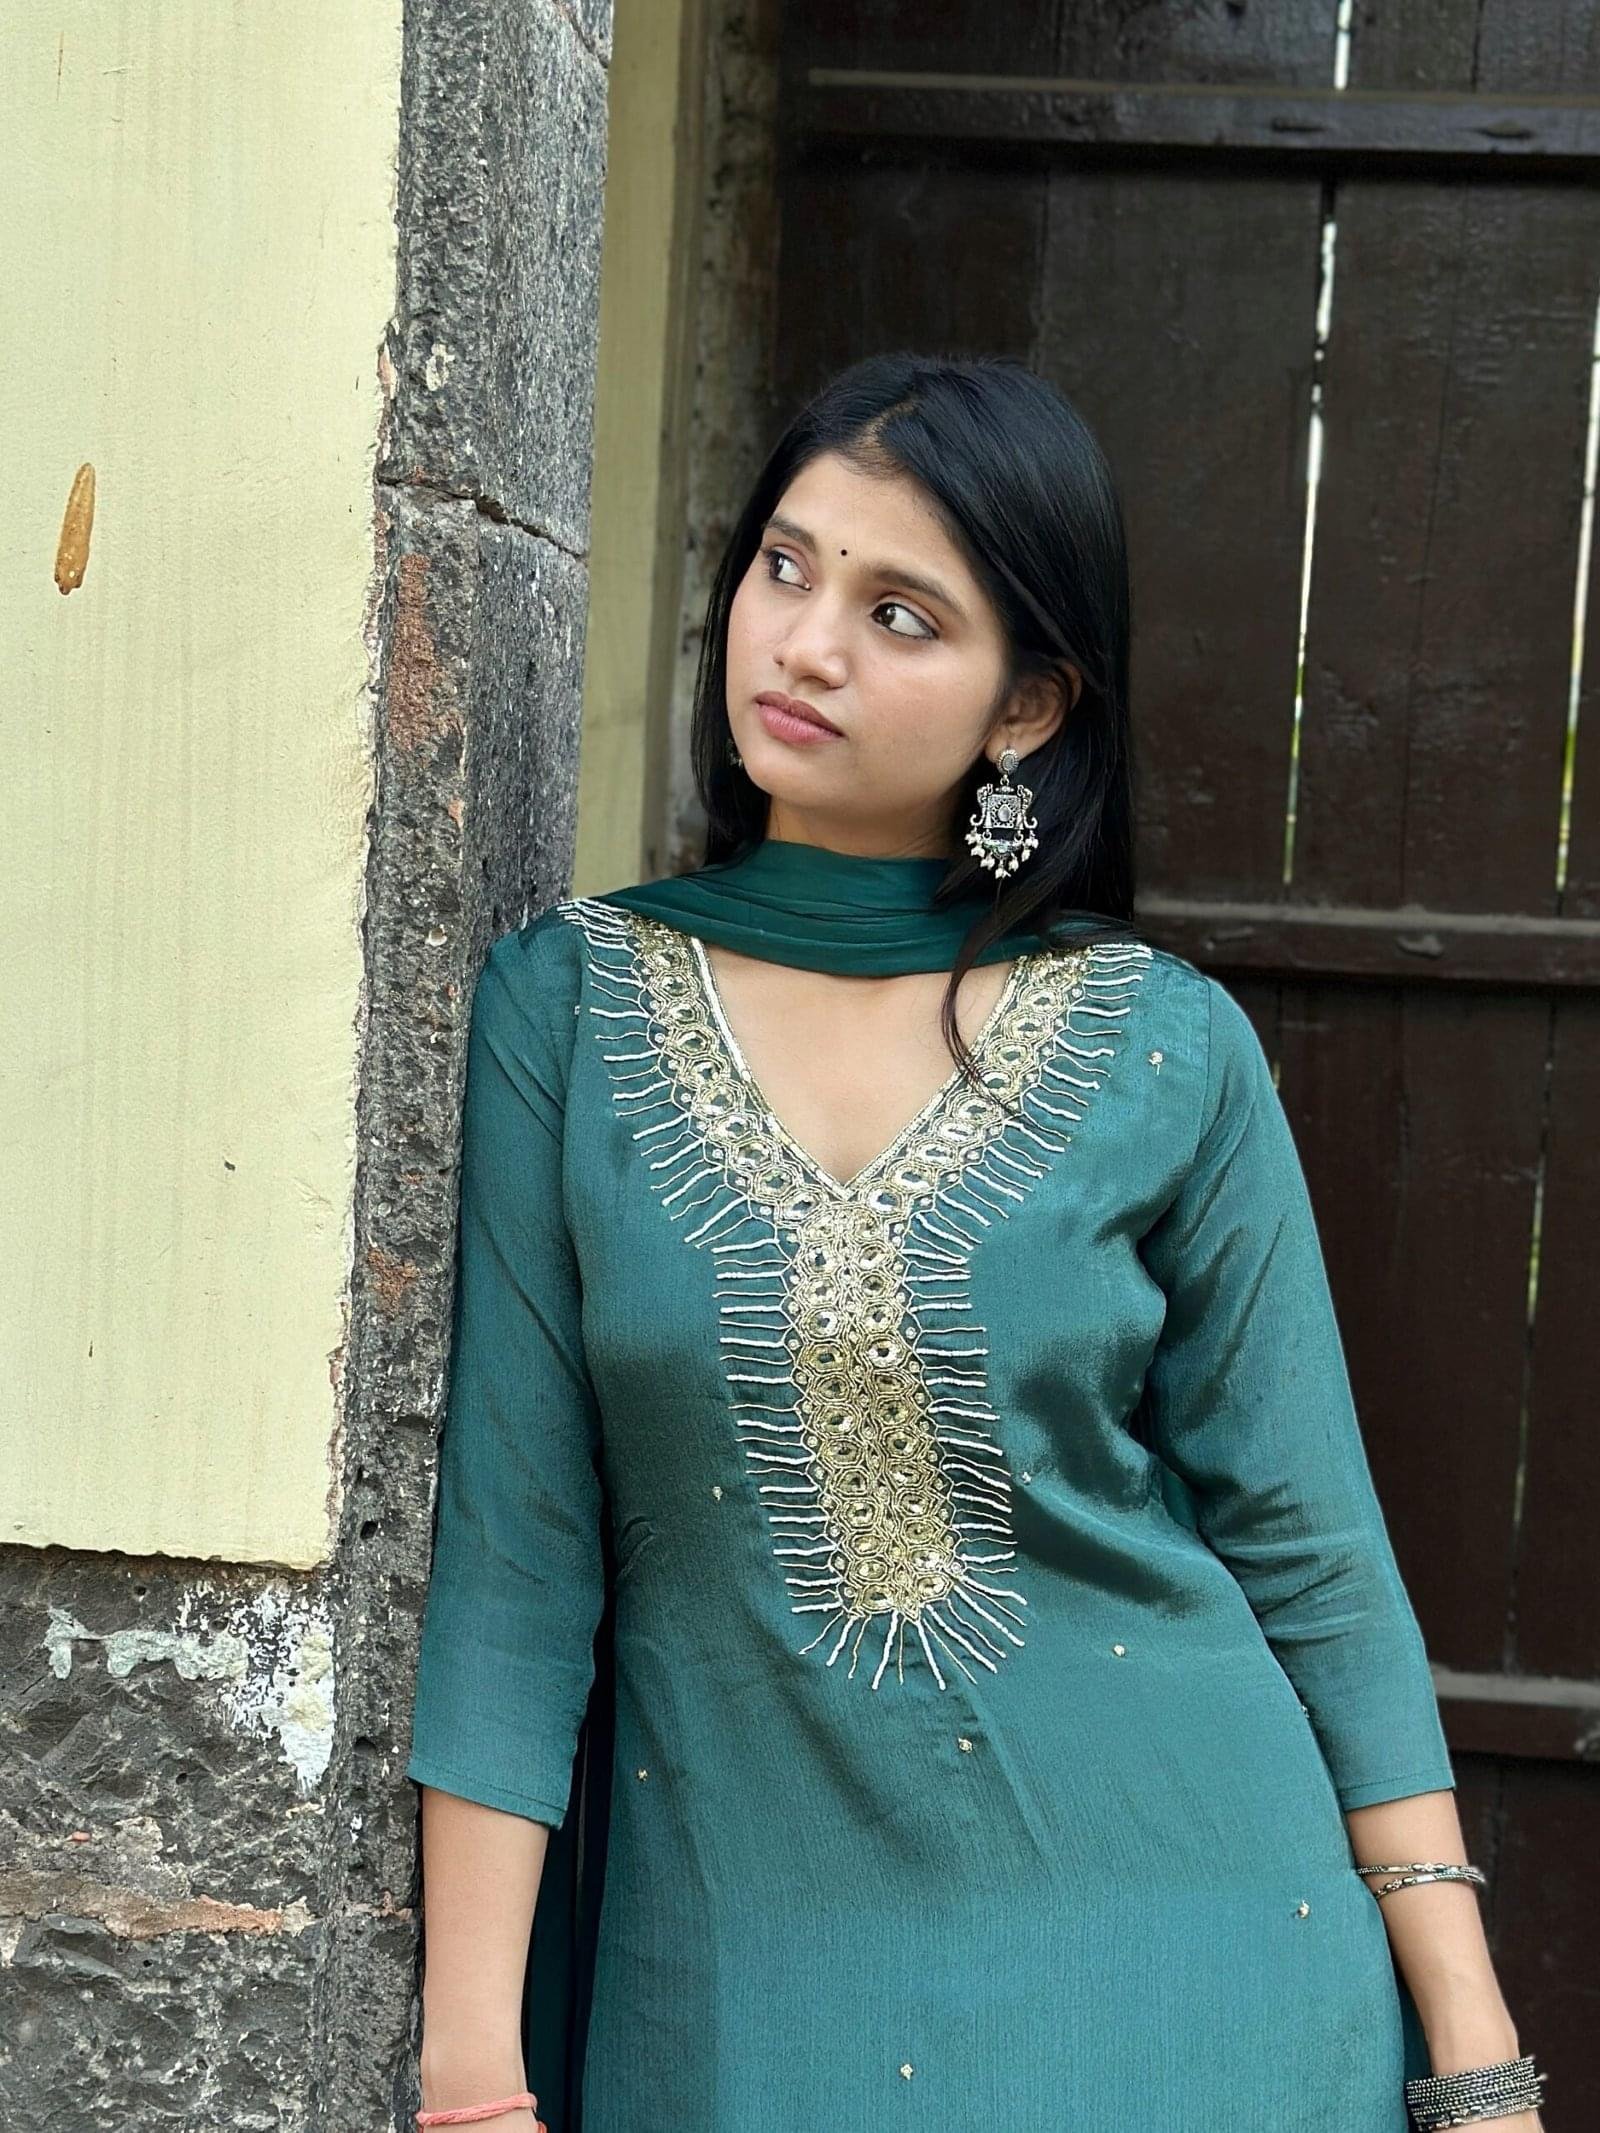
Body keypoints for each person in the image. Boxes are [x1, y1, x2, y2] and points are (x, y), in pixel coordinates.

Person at [404, 354, 1547, 2133]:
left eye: (900, 614)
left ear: (1027, 706)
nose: (805, 645)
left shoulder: (1165, 1045)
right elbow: (515, 1555)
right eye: (785, 567)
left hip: (1201, 1978)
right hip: (753, 1990)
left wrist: (1473, 2052)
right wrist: (473, 2065)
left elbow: (1314, 1553)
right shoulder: (571, 1007)